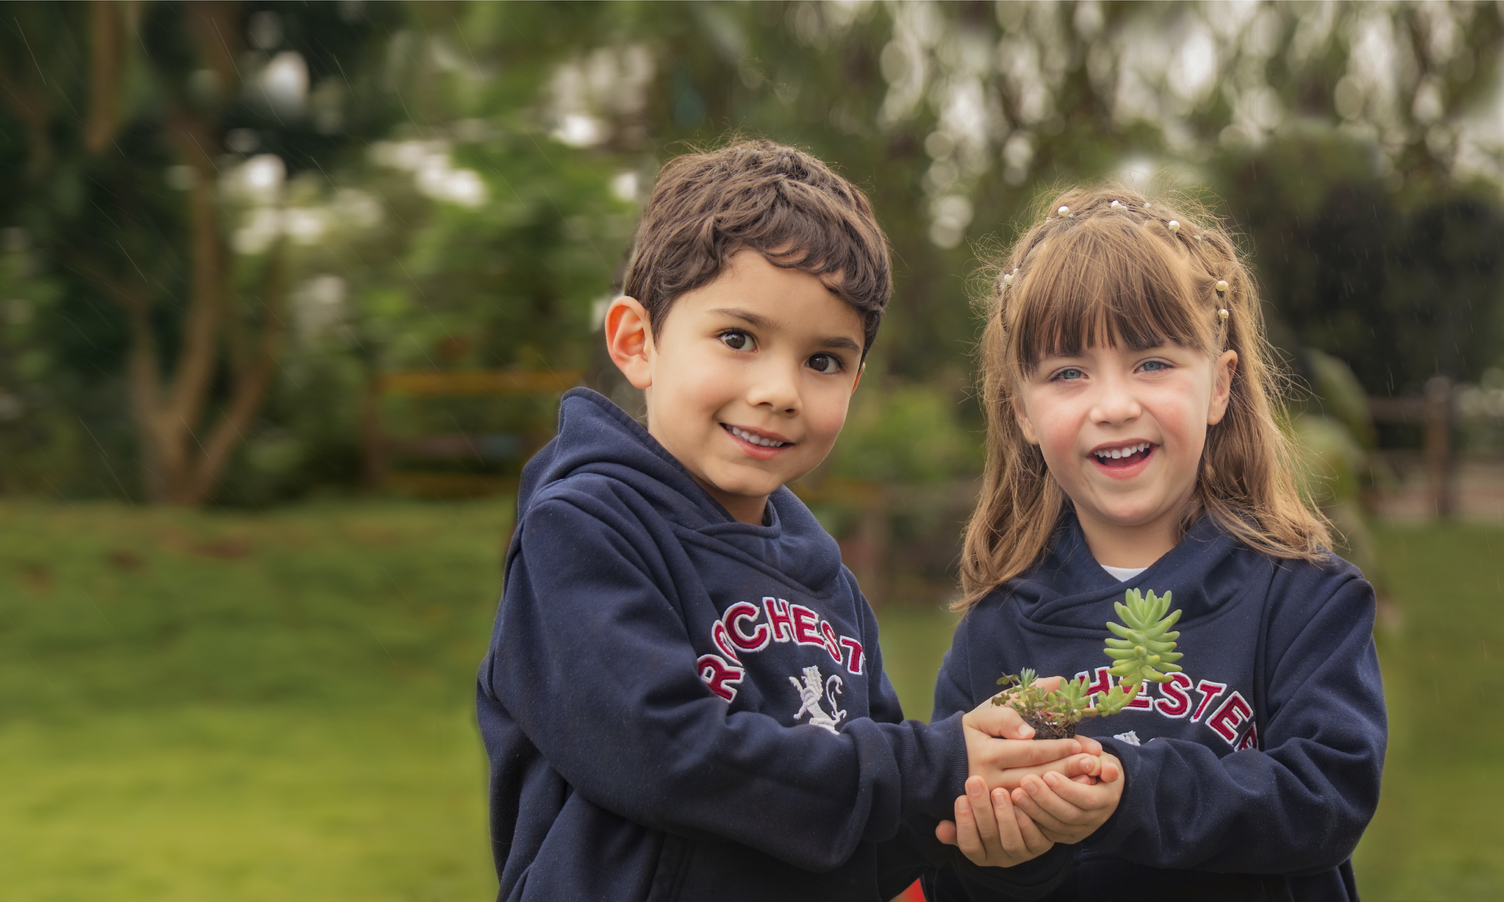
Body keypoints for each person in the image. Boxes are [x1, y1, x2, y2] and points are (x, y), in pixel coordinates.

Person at [475, 140, 1098, 902]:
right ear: (637, 343)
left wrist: (992, 825)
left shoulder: (823, 578)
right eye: (738, 339)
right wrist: (934, 766)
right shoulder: (582, 532)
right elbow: (666, 758)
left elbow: (866, 824)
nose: (779, 390)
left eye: (824, 361)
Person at [922, 185, 1387, 900]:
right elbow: (955, 868)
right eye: (1068, 373)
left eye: (1152, 362)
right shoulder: (994, 633)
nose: (1114, 405)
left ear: (1220, 386)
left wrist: (1128, 792)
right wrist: (1011, 853)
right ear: (1023, 412)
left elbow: (1326, 799)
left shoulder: (1305, 600)